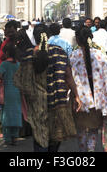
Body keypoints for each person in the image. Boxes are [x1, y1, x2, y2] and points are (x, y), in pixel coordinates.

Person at [13, 23, 82, 152]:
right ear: (48, 36)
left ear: (34, 37)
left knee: (40, 138)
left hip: (37, 104)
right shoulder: (59, 52)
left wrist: (24, 104)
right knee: (55, 137)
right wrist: (77, 95)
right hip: (58, 102)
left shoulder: (28, 54)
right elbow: (68, 76)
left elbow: (23, 82)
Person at [70, 26, 107, 152]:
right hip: (97, 100)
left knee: (81, 130)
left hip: (80, 99)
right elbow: (106, 75)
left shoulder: (73, 56)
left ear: (78, 40)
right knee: (93, 129)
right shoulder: (100, 55)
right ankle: (91, 149)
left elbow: (69, 78)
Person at [0, 43, 22, 146]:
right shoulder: (18, 64)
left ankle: (7, 138)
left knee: (6, 114)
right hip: (17, 91)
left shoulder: (4, 64)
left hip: (7, 91)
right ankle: (15, 137)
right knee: (16, 113)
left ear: (7, 53)